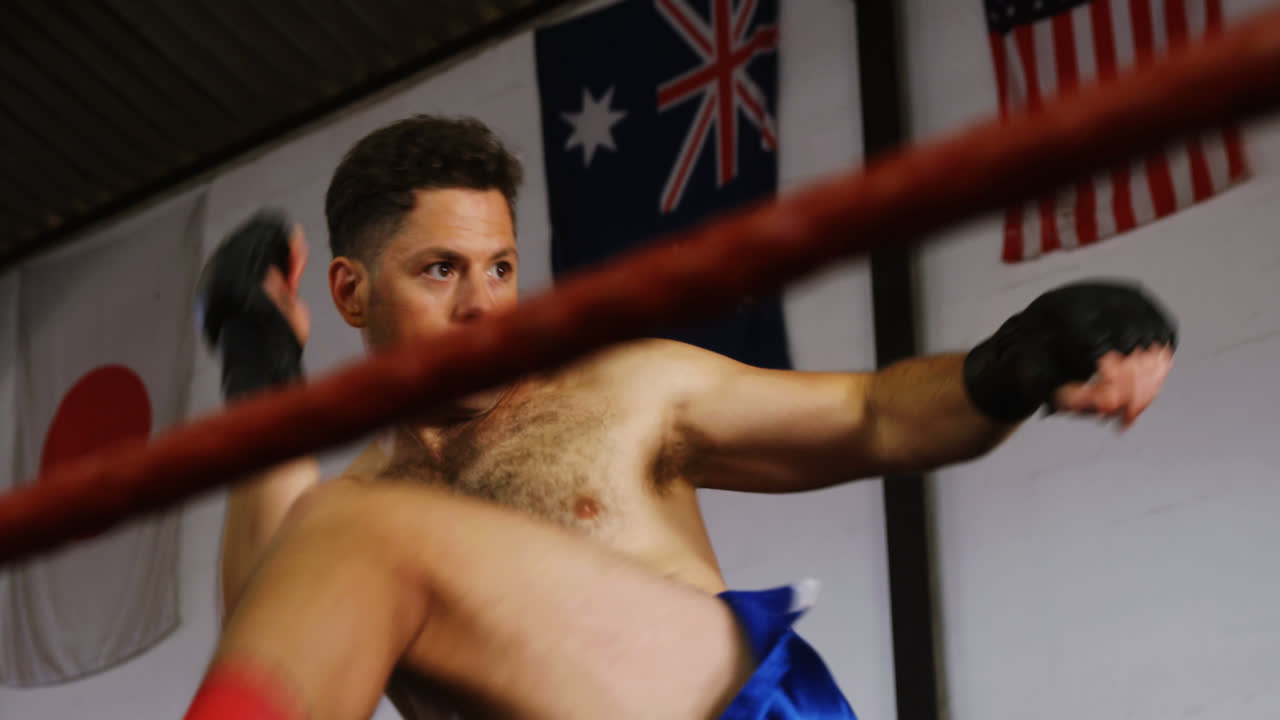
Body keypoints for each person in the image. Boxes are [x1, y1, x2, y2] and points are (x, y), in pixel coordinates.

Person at [186, 115, 1176, 720]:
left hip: (736, 716)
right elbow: (271, 653)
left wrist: (1006, 369)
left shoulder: (620, 390)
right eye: (439, 271)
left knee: (347, 534)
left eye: (499, 267)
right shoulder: (359, 506)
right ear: (351, 294)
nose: (485, 305)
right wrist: (262, 375)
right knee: (325, 548)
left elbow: (870, 415)